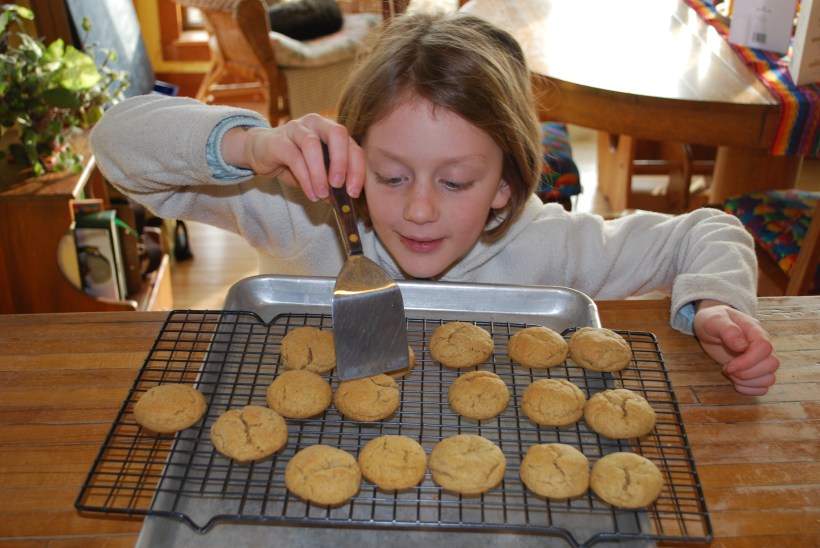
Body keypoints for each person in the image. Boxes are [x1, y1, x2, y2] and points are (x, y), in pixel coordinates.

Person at [90, 12, 778, 395]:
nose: (419, 211)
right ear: (352, 160)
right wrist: (251, 146)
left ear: (506, 183)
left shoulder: (550, 247)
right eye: (390, 177)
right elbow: (117, 145)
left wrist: (715, 302)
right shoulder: (304, 213)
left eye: (455, 183)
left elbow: (708, 230)